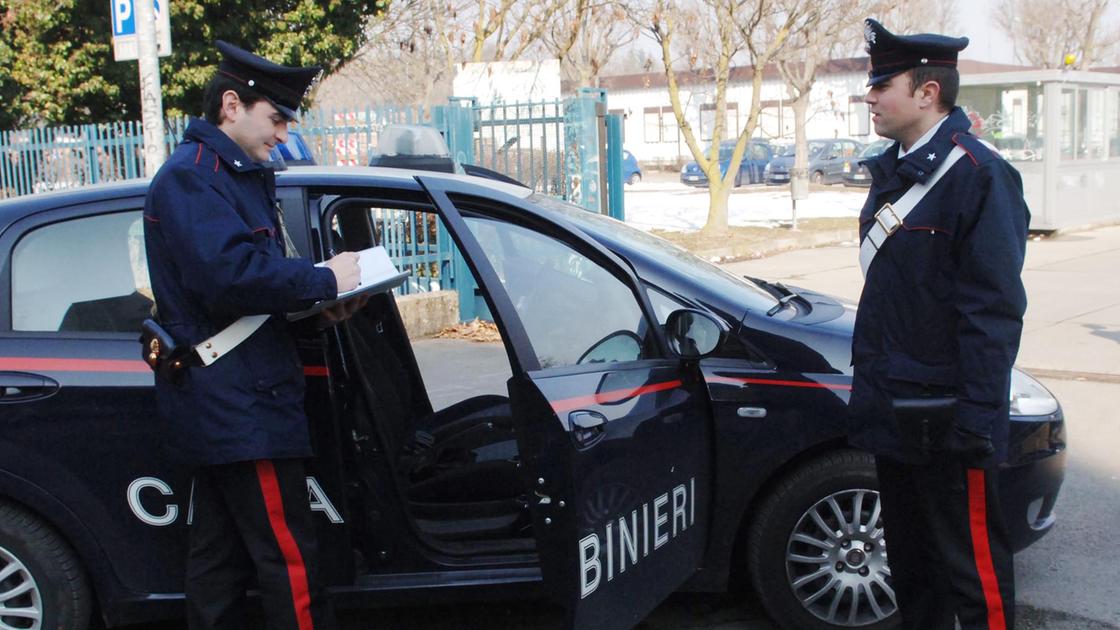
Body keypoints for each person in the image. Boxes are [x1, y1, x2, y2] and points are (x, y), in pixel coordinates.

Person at [143, 40, 362, 630]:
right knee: (288, 560)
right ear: (232, 105)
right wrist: (322, 278)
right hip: (241, 404)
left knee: (217, 560)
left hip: (234, 398)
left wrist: (320, 308)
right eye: (277, 119)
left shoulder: (228, 175)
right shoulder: (193, 178)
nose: (284, 135)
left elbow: (243, 293)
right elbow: (230, 277)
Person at [847, 18, 1029, 630]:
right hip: (896, 411)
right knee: (914, 573)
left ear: (927, 91)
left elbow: (993, 311)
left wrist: (978, 420)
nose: (869, 95)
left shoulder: (978, 175)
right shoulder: (897, 170)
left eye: (882, 83)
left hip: (950, 420)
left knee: (974, 579)